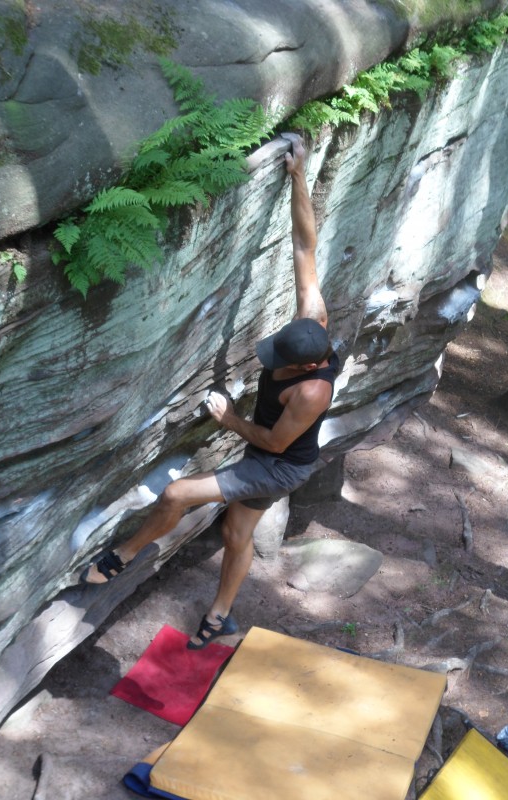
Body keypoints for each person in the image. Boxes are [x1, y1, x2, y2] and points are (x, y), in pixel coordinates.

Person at [80, 133, 339, 649]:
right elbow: (305, 246)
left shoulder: (312, 393)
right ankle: (219, 617)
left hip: (279, 461)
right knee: (236, 534)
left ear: (310, 362)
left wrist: (228, 420)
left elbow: (272, 443)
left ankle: (124, 555)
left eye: (283, 362)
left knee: (177, 493)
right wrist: (299, 174)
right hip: (272, 446)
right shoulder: (312, 320)